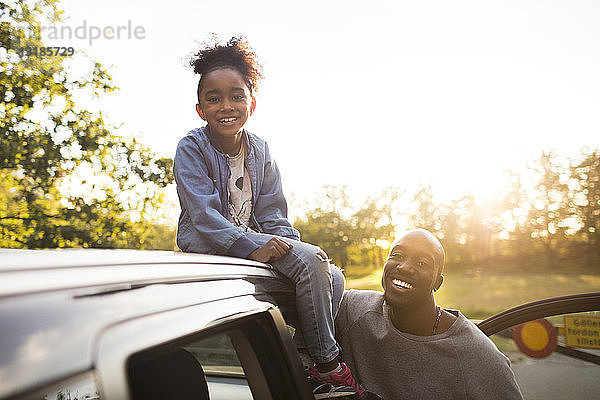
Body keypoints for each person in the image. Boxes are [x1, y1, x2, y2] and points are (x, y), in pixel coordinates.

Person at [173, 36, 377, 399]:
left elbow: (272, 213)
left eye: (236, 95)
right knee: (313, 263)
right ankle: (328, 365)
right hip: (211, 247)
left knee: (331, 275)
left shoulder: (260, 150)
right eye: (214, 98)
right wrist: (253, 247)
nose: (226, 105)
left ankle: (301, 357)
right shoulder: (192, 147)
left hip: (251, 241)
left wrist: (294, 250)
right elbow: (204, 216)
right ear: (200, 108)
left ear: (251, 101)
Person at [335, 229, 523, 400]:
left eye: (422, 263)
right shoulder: (353, 310)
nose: (404, 267)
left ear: (437, 283)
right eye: (397, 255)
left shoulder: (478, 357)